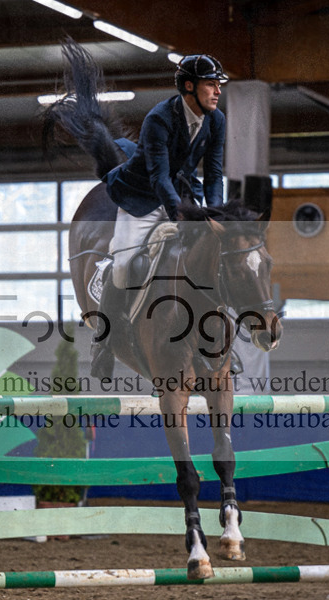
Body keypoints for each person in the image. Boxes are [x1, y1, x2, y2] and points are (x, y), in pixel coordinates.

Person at [91, 54, 229, 378]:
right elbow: (158, 176)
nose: (217, 91)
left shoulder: (216, 120)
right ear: (189, 87)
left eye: (218, 85)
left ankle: (217, 346)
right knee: (123, 266)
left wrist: (215, 214)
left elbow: (214, 174)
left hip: (182, 196)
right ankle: (103, 340)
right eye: (211, 84)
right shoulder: (159, 118)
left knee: (210, 260)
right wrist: (180, 215)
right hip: (142, 198)